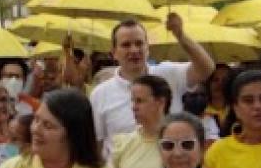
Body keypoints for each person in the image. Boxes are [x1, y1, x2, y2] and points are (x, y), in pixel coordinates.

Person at [89, 14, 214, 152]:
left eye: (139, 43)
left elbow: (206, 68)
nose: (134, 50)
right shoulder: (100, 94)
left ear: (148, 48)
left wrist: (181, 36)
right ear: (113, 53)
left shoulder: (168, 73)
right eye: (126, 45)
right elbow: (96, 144)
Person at [108, 74, 171, 168]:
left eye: (140, 101)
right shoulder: (122, 142)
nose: (134, 107)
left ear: (161, 102)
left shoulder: (180, 143)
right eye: (133, 101)